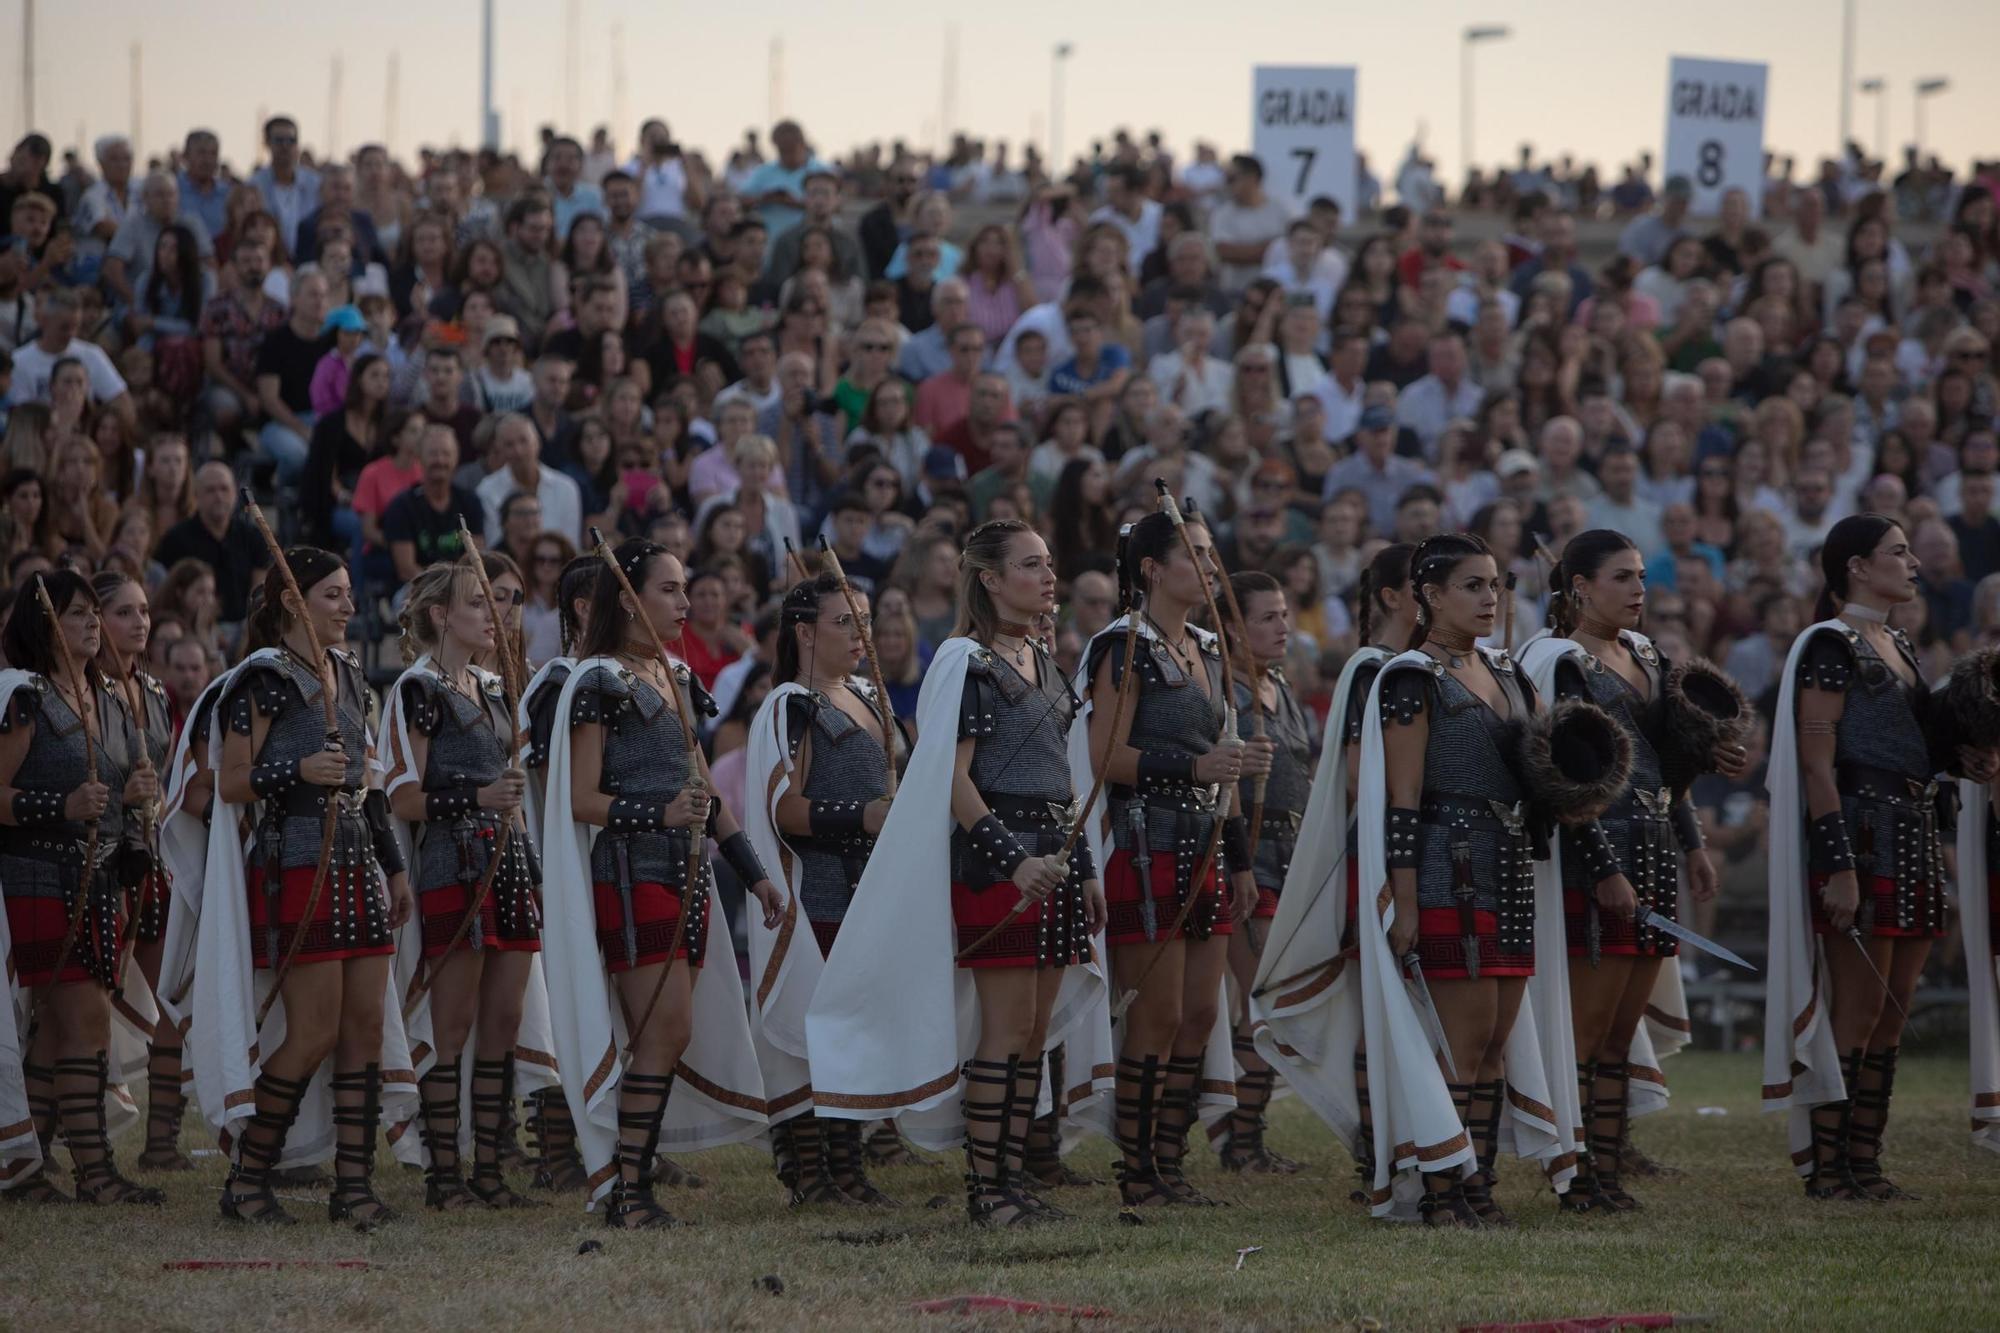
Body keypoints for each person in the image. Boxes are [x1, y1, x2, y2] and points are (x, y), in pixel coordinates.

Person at [804, 519, 1108, 1229]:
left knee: (1033, 1032)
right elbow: (951, 778)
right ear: (991, 579)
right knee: (1004, 1029)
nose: (1047, 575)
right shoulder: (964, 660)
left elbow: (1064, 780)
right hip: (996, 864)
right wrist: (1015, 860)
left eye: (1048, 562)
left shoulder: (1043, 659)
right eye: (1030, 565)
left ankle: (1012, 1176)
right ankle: (987, 1189)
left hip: (1052, 860)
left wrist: (1082, 865)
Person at [539, 538, 781, 1227]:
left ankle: (633, 1183)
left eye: (685, 589)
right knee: (663, 1028)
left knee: (667, 1032)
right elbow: (581, 795)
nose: (684, 602)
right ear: (630, 598)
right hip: (630, 869)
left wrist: (755, 874)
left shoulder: (674, 676)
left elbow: (704, 785)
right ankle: (627, 1190)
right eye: (670, 589)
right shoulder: (596, 682)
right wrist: (659, 810)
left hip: (690, 871)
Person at [1764, 514, 1997, 1201]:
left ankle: (1865, 1159)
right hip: (1861, 836)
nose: (1913, 563)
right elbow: (1816, 763)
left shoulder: (1896, 640)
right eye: (1899, 552)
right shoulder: (1830, 645)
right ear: (1857, 566)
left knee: (1894, 1010)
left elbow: (1914, 745)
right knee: (1858, 1009)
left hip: (1913, 830)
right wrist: (1839, 866)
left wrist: (1966, 753)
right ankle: (1831, 1168)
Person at [1521, 532, 1747, 1212]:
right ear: (1581, 586)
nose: (1639, 589)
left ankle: (1609, 1167)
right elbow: (1564, 777)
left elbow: (1667, 770)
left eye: (1643, 576)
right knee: (1587, 1028)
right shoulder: (1560, 662)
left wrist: (1694, 840)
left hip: (1651, 847)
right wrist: (1603, 869)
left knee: (1622, 1029)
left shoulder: (1650, 654)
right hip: (1593, 853)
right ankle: (1576, 1172)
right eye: (1622, 577)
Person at [1371, 533, 1589, 1226]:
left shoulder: (1510, 673)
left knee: (1497, 1037)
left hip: (1509, 862)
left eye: (1495, 584)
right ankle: (1444, 1190)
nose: (1489, 597)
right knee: (1460, 1040)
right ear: (1431, 595)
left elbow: (1541, 769)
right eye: (1472, 585)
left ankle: (1478, 1183)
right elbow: (1400, 799)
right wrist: (1404, 898)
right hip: (1445, 865)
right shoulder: (1410, 677)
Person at [201, 547, 417, 1225]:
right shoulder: (260, 680)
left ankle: (353, 1188)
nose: (350, 605)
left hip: (356, 856)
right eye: (333, 594)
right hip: (296, 856)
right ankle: (247, 1178)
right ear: (293, 601)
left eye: (350, 592)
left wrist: (394, 866)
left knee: (365, 1028)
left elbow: (370, 781)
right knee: (315, 1029)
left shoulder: (352, 675)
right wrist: (297, 769)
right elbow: (230, 781)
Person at [1086, 507, 1262, 1207]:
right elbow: (1105, 756)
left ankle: (1170, 1161)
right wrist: (1195, 770)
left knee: (1199, 1016)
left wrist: (1242, 856)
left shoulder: (1209, 648)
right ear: (1153, 568)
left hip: (1208, 844)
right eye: (1196, 555)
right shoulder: (1122, 645)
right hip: (1145, 838)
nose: (1212, 567)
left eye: (1213, 554)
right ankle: (1138, 1174)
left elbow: (1226, 765)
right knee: (1154, 1018)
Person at [377, 561, 549, 1209]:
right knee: (452, 1024)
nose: (492, 613)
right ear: (441, 615)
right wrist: (477, 795)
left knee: (504, 1018)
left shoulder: (495, 687)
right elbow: (403, 792)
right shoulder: (418, 690)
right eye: (476, 603)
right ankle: (445, 1174)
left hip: (509, 864)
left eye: (493, 603)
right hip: (455, 863)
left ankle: (489, 1169)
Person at [741, 572, 902, 1205]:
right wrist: (860, 816)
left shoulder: (870, 695)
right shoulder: (791, 703)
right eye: (846, 622)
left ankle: (849, 1167)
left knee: (857, 1031)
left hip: (869, 891)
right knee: (821, 1037)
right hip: (820, 893)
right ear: (805, 632)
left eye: (864, 621)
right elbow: (786, 808)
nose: (861, 635)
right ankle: (812, 1172)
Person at [0, 571, 156, 1204]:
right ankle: (96, 1173)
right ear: (44, 625)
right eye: (76, 614)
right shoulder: (24, 698)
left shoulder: (104, 697)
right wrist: (60, 804)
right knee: (81, 1025)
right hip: (39, 875)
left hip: (95, 879)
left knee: (60, 1029)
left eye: (96, 611)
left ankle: (27, 1168)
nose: (93, 623)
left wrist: (129, 796)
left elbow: (101, 799)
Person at [1214, 571, 1312, 1174]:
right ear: (1231, 626)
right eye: (1267, 617)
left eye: (1285, 615)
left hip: (1293, 856)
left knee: (1275, 1006)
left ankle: (1242, 1130)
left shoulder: (1281, 687)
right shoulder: (1224, 693)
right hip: (1248, 859)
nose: (1283, 627)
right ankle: (1240, 1140)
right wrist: (1238, 864)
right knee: (1264, 1006)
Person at [90, 570, 186, 1171]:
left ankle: (161, 1143)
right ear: (96, 621)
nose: (140, 621)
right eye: (124, 612)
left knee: (168, 999)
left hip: (153, 861)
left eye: (145, 610)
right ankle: (73, 1140)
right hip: (97, 863)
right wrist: (122, 792)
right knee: (87, 1008)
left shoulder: (154, 692)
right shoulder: (77, 691)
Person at [154, 463, 272, 628]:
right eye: (210, 490)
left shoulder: (253, 536)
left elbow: (259, 592)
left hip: (244, 628)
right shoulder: (175, 539)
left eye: (224, 489)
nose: (219, 496)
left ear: (234, 494)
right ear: (196, 496)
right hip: (190, 629)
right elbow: (168, 593)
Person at [382, 425, 483, 588]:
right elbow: (406, 569)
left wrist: (456, 590)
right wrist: (441, 591)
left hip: (462, 587)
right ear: (419, 458)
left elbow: (475, 558)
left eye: (446, 454)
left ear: (456, 458)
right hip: (416, 588)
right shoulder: (401, 506)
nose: (440, 460)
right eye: (433, 454)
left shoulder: (470, 502)